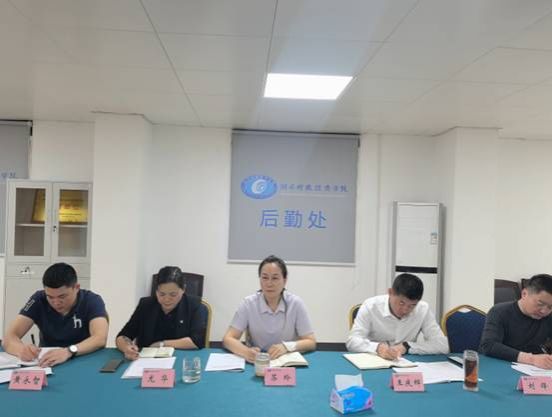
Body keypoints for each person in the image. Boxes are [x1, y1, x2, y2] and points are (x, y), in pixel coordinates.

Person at [2, 263, 108, 367]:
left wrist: (69, 351)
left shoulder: (92, 300)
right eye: (50, 297)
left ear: (76, 288)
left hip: (84, 358)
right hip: (47, 362)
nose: (56, 303)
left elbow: (99, 338)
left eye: (62, 296)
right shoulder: (38, 299)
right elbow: (9, 337)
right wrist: (21, 350)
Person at [223, 255, 316, 363]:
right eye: (265, 277)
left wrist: (286, 347)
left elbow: (311, 342)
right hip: (257, 361)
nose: (269, 283)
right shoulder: (248, 304)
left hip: (286, 362)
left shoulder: (295, 303)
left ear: (285, 280)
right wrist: (246, 352)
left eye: (275, 278)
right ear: (260, 279)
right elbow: (228, 339)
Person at [347, 273, 448, 359]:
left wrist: (407, 347)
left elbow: (442, 345)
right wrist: (377, 347)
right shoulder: (370, 306)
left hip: (406, 363)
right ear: (390, 292)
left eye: (412, 305)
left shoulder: (423, 309)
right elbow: (352, 341)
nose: (405, 310)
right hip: (374, 360)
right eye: (401, 303)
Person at [116, 266, 207, 360]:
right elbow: (124, 335)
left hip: (181, 359)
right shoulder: (146, 305)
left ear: (183, 289)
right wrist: (127, 348)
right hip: (146, 361)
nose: (167, 299)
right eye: (162, 294)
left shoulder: (194, 306)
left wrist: (162, 344)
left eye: (173, 294)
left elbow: (196, 341)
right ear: (156, 291)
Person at [480, 274, 552, 369]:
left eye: (550, 307)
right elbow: (489, 346)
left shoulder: (549, 317)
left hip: (534, 371)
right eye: (540, 304)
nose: (544, 311)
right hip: (499, 366)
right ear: (524, 294)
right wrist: (532, 359)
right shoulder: (499, 312)